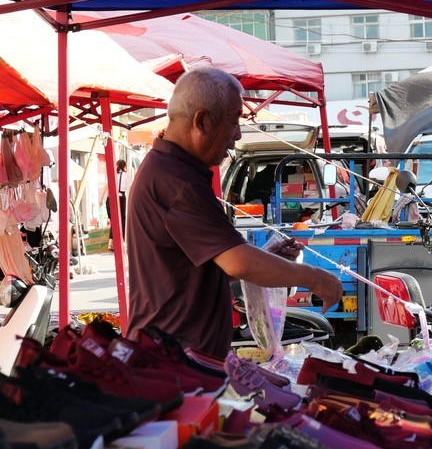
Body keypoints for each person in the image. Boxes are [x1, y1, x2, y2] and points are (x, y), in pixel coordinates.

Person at [126, 67, 342, 360]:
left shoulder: (174, 171)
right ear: (202, 121)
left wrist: (268, 257)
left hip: (178, 355)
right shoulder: (176, 181)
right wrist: (315, 277)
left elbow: (202, 268)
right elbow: (239, 263)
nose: (237, 135)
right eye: (234, 121)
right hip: (174, 361)